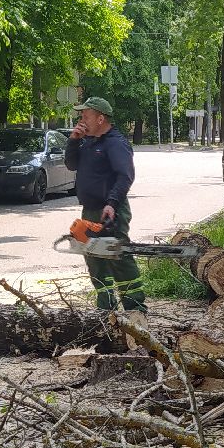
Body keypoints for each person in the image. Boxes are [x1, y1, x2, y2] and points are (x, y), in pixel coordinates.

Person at [69, 96, 146, 314]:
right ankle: (106, 310)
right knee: (95, 258)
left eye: (86, 116)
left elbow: (125, 176)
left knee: (117, 256)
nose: (81, 120)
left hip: (111, 210)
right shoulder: (88, 142)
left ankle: (136, 309)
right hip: (90, 210)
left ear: (100, 118)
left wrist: (112, 203)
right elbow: (71, 164)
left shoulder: (115, 143)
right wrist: (73, 141)